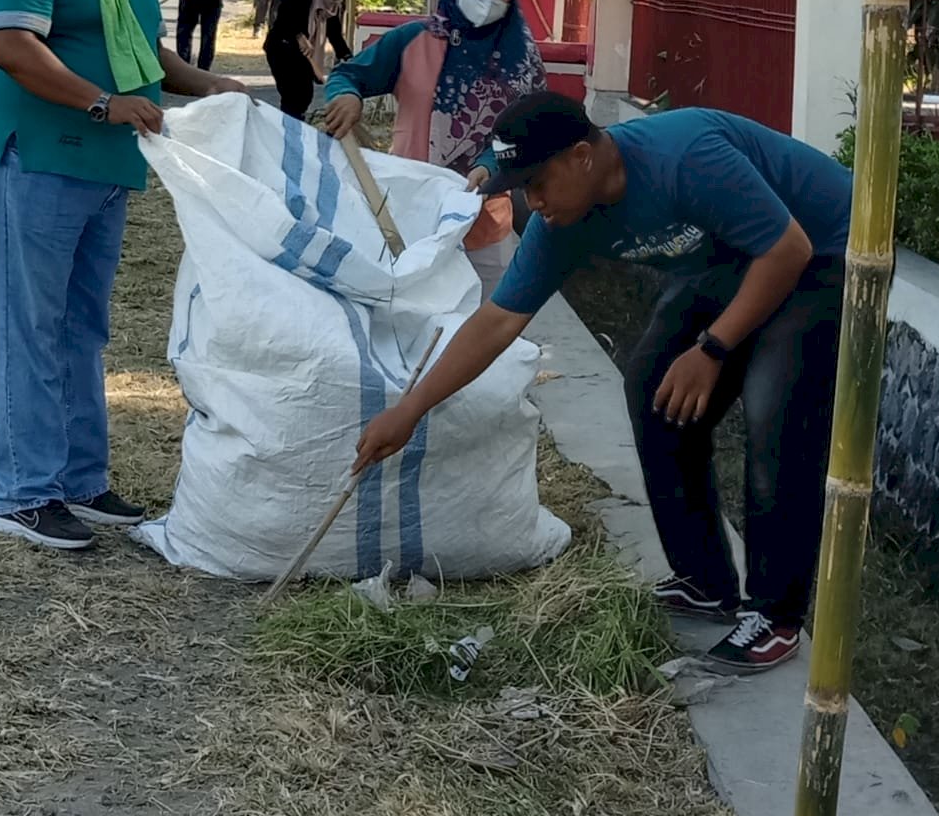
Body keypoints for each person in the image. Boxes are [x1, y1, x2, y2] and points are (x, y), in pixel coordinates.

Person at [352, 90, 851, 676]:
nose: (532, 202)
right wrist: (411, 409)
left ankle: (776, 614)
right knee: (652, 390)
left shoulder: (685, 158)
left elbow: (786, 248)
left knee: (776, 412)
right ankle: (705, 581)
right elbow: (496, 322)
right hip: (729, 256)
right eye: (520, 187)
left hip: (819, 249)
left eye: (538, 181)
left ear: (583, 156)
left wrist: (712, 349)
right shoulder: (561, 221)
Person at [0, 0, 246, 552]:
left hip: (105, 168)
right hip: (37, 159)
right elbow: (13, 49)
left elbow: (143, 51)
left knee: (81, 331)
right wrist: (100, 102)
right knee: (29, 329)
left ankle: (81, 482)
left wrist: (210, 84)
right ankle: (25, 494)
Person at [322, 0, 547, 298]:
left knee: (483, 322)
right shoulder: (415, 41)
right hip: (409, 212)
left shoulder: (522, 60)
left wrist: (490, 165)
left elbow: (531, 129)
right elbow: (350, 74)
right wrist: (347, 96)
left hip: (484, 219)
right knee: (409, 314)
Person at [264, 0, 355, 120]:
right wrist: (299, 36)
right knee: (294, 95)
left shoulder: (329, 0)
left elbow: (334, 33)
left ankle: (295, 127)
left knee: (304, 95)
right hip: (282, 47)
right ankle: (289, 132)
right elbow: (284, 20)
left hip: (303, 52)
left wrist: (347, 57)